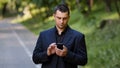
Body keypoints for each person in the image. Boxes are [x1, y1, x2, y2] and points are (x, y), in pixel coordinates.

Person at [32, 4, 88, 68]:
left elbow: (84, 60)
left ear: (69, 18)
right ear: (54, 16)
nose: (61, 21)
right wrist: (47, 53)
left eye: (64, 18)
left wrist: (67, 54)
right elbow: (35, 58)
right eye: (59, 18)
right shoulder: (43, 35)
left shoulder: (78, 36)